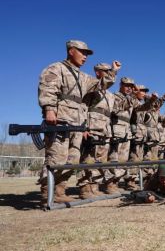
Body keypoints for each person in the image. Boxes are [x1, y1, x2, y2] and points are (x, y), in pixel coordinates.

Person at [38, 40, 120, 205]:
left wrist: (113, 72)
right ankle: (48, 192)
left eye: (87, 54)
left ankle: (60, 191)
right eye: (83, 53)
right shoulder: (56, 68)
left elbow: (101, 84)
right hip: (59, 119)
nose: (85, 57)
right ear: (71, 51)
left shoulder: (83, 77)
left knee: (73, 159)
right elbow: (47, 88)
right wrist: (49, 109)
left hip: (77, 122)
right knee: (56, 157)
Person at [106, 78, 158, 193]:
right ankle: (110, 183)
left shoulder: (131, 99)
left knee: (123, 159)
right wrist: (132, 96)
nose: (129, 88)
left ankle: (117, 182)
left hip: (126, 131)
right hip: (116, 129)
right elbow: (116, 109)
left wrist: (151, 101)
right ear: (120, 85)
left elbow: (141, 108)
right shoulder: (115, 96)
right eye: (127, 86)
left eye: (131, 86)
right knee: (114, 158)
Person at [78, 62, 117, 199]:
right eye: (105, 71)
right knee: (88, 158)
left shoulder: (111, 95)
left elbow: (117, 111)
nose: (107, 73)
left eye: (109, 71)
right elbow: (83, 107)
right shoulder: (92, 88)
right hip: (92, 127)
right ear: (97, 72)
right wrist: (83, 127)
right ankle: (84, 188)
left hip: (105, 129)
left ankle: (94, 187)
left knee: (100, 160)